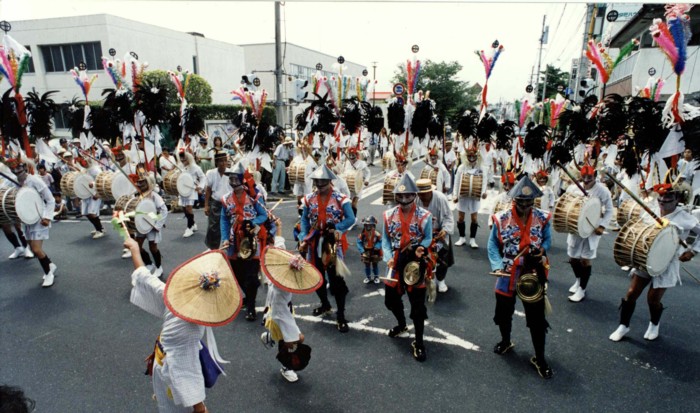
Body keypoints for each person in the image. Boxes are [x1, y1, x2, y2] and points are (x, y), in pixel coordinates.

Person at [127, 238, 237, 413]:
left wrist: (134, 249)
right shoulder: (190, 330)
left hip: (161, 361)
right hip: (170, 374)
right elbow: (185, 371)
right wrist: (199, 406)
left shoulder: (172, 296)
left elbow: (144, 276)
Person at [609, 183, 700, 342]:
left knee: (652, 299)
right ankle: (623, 326)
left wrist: (692, 251)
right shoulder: (650, 210)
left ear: (677, 198)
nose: (663, 200)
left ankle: (654, 324)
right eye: (661, 196)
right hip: (646, 258)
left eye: (668, 197)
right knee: (631, 294)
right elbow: (639, 229)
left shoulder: (686, 218)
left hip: (667, 263)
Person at [488, 175, 553, 379]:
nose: (525, 205)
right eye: (521, 201)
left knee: (536, 318)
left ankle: (540, 358)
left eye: (529, 202)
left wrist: (542, 250)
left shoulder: (543, 218)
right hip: (508, 272)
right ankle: (506, 340)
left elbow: (548, 241)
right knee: (503, 313)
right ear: (514, 199)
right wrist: (498, 265)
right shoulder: (501, 218)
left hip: (532, 273)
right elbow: (492, 245)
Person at [298, 164, 356, 333]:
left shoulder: (340, 198)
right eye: (317, 181)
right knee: (316, 276)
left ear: (330, 181)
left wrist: (337, 227)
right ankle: (325, 304)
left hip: (331, 242)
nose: (320, 184)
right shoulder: (309, 198)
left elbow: (351, 218)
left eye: (323, 181)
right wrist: (303, 236)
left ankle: (341, 315)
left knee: (336, 279)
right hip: (315, 241)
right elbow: (304, 220)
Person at [382, 173, 433, 361]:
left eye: (408, 196)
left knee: (418, 307)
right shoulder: (388, 215)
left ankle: (419, 343)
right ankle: (402, 324)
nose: (404, 200)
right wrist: (387, 257)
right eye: (400, 196)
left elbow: (428, 237)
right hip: (395, 260)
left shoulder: (425, 216)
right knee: (390, 300)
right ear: (395, 196)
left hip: (414, 263)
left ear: (415, 195)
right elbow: (386, 240)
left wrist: (422, 247)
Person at [260, 219, 318, 383]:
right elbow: (295, 335)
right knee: (294, 343)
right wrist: (294, 337)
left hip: (274, 311)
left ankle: (271, 336)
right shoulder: (284, 288)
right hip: (281, 314)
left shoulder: (276, 269)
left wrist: (279, 228)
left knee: (289, 337)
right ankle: (286, 367)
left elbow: (279, 248)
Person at [220, 162, 269, 321]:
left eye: (236, 179)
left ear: (243, 179)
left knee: (251, 275)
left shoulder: (254, 196)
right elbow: (224, 219)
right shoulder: (226, 199)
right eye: (231, 179)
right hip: (235, 240)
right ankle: (248, 296)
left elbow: (264, 215)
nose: (233, 183)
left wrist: (253, 223)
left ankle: (251, 306)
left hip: (251, 238)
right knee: (236, 272)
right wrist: (225, 238)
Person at [566, 163, 614, 302]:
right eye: (584, 176)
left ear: (595, 176)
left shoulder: (603, 191)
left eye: (590, 177)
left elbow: (610, 210)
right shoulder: (574, 189)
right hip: (576, 227)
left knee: (585, 260)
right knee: (573, 258)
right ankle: (578, 280)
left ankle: (582, 289)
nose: (586, 179)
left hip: (592, 228)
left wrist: (603, 226)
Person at [8, 158, 57, 287]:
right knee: (32, 248)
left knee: (36, 249)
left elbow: (50, 199)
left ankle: (48, 274)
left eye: (19, 167)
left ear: (24, 166)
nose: (16, 170)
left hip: (40, 218)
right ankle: (50, 265)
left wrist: (47, 217)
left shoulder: (34, 180)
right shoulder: (12, 182)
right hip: (27, 219)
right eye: (13, 168)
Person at [416, 178, 454, 293]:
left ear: (430, 191)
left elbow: (448, 216)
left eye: (424, 194)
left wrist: (445, 230)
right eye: (420, 194)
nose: (422, 197)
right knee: (422, 257)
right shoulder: (415, 199)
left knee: (442, 258)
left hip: (439, 233)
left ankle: (441, 280)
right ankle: (423, 278)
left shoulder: (440, 198)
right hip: (423, 234)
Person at [131, 170, 168, 278]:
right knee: (137, 246)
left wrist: (158, 223)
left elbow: (164, 210)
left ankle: (158, 267)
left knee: (153, 247)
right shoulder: (137, 195)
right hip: (141, 225)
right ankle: (148, 264)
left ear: (148, 183)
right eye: (139, 182)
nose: (141, 184)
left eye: (143, 182)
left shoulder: (154, 195)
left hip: (152, 224)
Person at [454, 146, 489, 248]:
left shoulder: (481, 168)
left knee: (474, 218)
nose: (472, 158)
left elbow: (484, 181)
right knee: (460, 217)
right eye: (469, 155)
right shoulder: (461, 167)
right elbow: (456, 182)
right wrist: (455, 195)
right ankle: (462, 238)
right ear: (466, 156)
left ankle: (472, 240)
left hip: (474, 197)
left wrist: (483, 193)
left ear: (477, 156)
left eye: (474, 156)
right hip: (463, 196)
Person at [204, 152, 231, 251]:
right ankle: (212, 248)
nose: (223, 163)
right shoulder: (211, 173)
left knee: (228, 225)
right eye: (221, 161)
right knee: (213, 227)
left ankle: (228, 247)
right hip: (215, 202)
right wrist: (206, 205)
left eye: (225, 160)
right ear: (216, 162)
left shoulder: (231, 172)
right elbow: (208, 190)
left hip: (228, 203)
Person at [178, 150, 206, 238]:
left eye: (185, 160)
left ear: (189, 159)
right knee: (184, 208)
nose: (183, 162)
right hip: (182, 190)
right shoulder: (180, 166)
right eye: (182, 160)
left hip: (191, 190)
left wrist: (200, 187)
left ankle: (189, 228)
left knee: (188, 207)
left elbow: (202, 177)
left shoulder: (195, 167)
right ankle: (193, 224)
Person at [356, 216, 382, 284]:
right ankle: (368, 277)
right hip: (365, 251)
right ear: (364, 225)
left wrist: (377, 246)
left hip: (375, 251)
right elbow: (359, 243)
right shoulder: (362, 235)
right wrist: (362, 251)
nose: (368, 227)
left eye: (370, 225)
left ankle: (376, 277)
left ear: (373, 225)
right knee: (367, 265)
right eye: (367, 225)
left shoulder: (377, 234)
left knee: (375, 264)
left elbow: (381, 241)